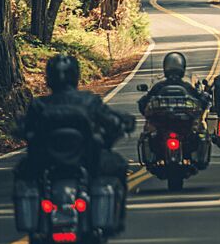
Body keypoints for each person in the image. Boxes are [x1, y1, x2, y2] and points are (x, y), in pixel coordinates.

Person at [15, 54, 134, 184]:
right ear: (76, 76)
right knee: (117, 165)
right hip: (85, 159)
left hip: (46, 162)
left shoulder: (39, 105)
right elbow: (109, 119)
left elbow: (24, 127)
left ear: (49, 78)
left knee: (23, 172)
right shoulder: (88, 100)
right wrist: (122, 122)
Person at [137, 52, 210, 115]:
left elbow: (143, 102)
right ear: (182, 68)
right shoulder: (187, 86)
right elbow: (201, 100)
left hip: (162, 126)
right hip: (183, 126)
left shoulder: (159, 86)